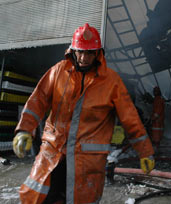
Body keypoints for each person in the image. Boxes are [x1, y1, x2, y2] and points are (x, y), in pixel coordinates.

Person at [12, 23, 155, 204]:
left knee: (80, 199)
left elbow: (130, 119)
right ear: (72, 50)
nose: (83, 57)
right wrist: (24, 130)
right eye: (80, 51)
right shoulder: (59, 71)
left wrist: (145, 153)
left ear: (98, 54)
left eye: (89, 53)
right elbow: (38, 100)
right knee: (37, 195)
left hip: (87, 160)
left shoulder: (111, 82)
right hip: (53, 153)